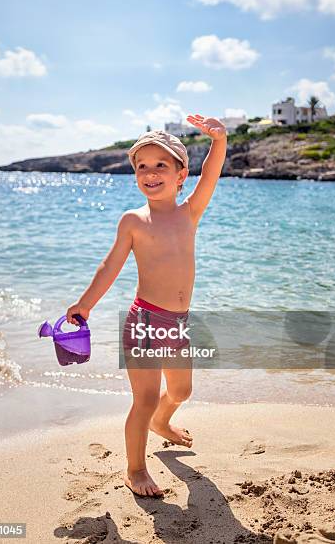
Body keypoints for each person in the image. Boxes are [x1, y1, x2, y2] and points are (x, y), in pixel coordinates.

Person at [66, 114, 227, 497]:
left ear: (180, 174)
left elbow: (212, 175)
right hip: (145, 323)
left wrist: (219, 140)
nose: (150, 173)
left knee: (181, 391)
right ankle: (136, 469)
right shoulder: (133, 221)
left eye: (160, 165)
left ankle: (162, 422)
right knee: (143, 399)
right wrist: (85, 305)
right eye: (142, 167)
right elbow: (110, 266)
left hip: (178, 323)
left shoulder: (190, 213)